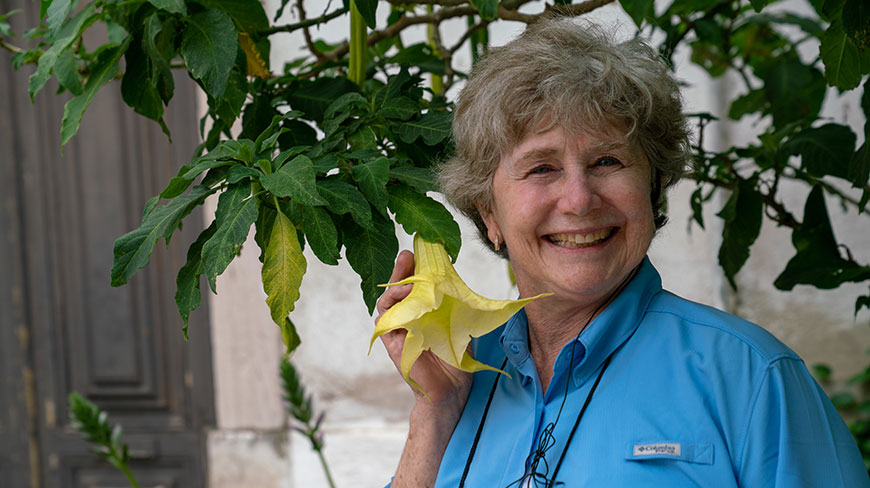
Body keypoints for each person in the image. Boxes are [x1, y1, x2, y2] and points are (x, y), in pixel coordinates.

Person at [375, 16, 869, 487]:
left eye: (607, 160)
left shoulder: (750, 376)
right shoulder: (461, 371)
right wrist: (435, 413)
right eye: (541, 168)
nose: (579, 199)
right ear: (489, 214)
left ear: (653, 189)